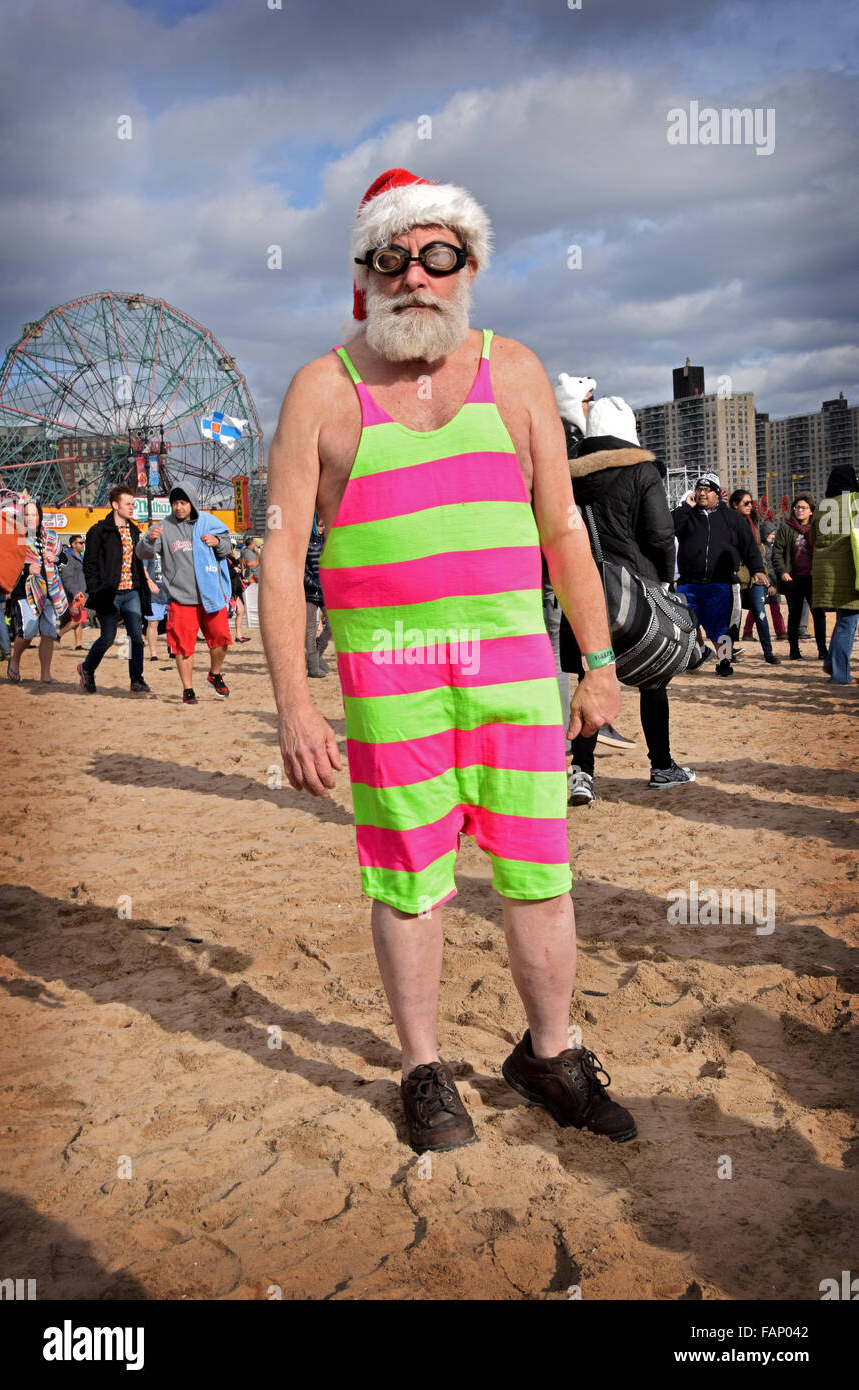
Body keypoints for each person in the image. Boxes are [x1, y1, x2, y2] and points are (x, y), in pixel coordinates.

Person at [260, 166, 636, 1155]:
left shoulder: (513, 372)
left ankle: (549, 1053)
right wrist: (294, 708)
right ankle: (423, 1067)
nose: (417, 277)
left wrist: (596, 662)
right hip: (388, 688)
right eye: (395, 257)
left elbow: (563, 529)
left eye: (439, 256)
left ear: (467, 265)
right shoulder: (320, 390)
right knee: (407, 880)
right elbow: (277, 549)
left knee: (538, 877)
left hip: (513, 678)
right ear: (367, 271)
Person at [557, 395, 695, 800]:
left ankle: (581, 773)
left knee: (589, 676)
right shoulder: (641, 470)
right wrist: (665, 580)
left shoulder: (569, 475)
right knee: (654, 682)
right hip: (636, 591)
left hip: (582, 590)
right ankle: (662, 766)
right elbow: (659, 535)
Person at [136, 482, 232, 704]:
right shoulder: (163, 527)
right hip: (181, 598)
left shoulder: (208, 522)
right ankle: (188, 689)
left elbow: (228, 547)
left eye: (182, 502)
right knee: (183, 646)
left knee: (222, 640)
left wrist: (217, 541)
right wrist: (149, 540)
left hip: (210, 595)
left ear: (192, 502)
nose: (178, 507)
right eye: (174, 503)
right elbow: (142, 554)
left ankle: (214, 674)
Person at [673, 472, 767, 676]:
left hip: (720, 583)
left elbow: (749, 545)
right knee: (685, 624)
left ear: (717, 494)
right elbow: (670, 529)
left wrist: (757, 569)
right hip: (689, 583)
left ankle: (724, 660)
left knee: (721, 628)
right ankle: (699, 654)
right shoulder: (688, 515)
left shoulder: (732, 518)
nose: (701, 494)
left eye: (706, 490)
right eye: (698, 490)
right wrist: (684, 508)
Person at [79, 486, 152, 695]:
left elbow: (138, 562)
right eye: (128, 504)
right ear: (114, 505)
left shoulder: (135, 531)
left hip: (132, 592)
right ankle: (87, 668)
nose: (132, 508)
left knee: (136, 638)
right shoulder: (98, 531)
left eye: (133, 504)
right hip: (108, 593)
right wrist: (95, 589)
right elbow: (89, 564)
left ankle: (136, 680)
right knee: (108, 638)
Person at [5, 498, 68, 683]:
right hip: (24, 590)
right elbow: (5, 565)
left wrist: (55, 557)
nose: (31, 518)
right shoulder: (14, 537)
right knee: (29, 629)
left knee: (48, 632)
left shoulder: (50, 536)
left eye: (34, 514)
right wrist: (26, 569)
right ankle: (15, 660)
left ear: (40, 516)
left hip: (49, 591)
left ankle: (45, 674)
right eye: (26, 514)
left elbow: (65, 559)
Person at [810, 465, 859, 684]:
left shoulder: (822, 506)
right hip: (848, 569)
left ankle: (832, 663)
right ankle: (840, 674)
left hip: (824, 570)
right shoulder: (854, 501)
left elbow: (812, 537)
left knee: (843, 617)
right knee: (848, 620)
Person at [772, 494, 828, 661]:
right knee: (794, 614)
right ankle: (794, 651)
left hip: (814, 579)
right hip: (793, 579)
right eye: (797, 507)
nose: (799, 511)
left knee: (818, 615)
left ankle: (822, 650)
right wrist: (782, 571)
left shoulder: (817, 529)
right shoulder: (786, 529)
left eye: (803, 508)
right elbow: (777, 553)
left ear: (811, 511)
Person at [728, 491, 780, 665]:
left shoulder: (753, 522)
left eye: (751, 503)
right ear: (735, 504)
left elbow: (758, 550)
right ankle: (728, 653)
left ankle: (768, 652)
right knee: (732, 617)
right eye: (746, 503)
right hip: (736, 576)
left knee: (760, 613)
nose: (750, 506)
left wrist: (762, 572)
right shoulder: (728, 523)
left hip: (756, 576)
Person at [743, 510, 787, 642]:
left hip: (771, 583)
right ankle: (748, 632)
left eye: (774, 534)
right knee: (756, 609)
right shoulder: (762, 549)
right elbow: (767, 569)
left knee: (773, 609)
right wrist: (770, 584)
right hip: (765, 584)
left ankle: (780, 632)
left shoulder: (772, 548)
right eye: (771, 534)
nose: (773, 537)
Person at [304, 513, 332, 677]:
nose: (322, 528)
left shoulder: (329, 542)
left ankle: (317, 654)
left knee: (332, 625)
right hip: (310, 591)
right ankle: (313, 667)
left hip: (327, 591)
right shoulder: (306, 543)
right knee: (310, 628)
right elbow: (301, 570)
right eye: (320, 525)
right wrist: (314, 584)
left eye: (324, 525)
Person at [57, 534, 88, 650]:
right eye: (80, 543)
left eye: (83, 542)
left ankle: (78, 644)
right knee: (78, 619)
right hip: (74, 594)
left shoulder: (80, 556)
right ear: (73, 544)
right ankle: (58, 635)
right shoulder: (69, 558)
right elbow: (67, 578)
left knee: (79, 620)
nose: (82, 545)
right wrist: (75, 592)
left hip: (81, 592)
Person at [143, 548, 169, 661]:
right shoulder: (147, 550)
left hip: (170, 591)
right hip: (154, 592)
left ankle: (172, 650)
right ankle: (153, 654)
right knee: (153, 622)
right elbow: (143, 569)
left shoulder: (169, 548)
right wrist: (150, 583)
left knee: (174, 623)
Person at [226, 549, 248, 643]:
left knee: (241, 611)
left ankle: (238, 635)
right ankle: (226, 635)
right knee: (226, 614)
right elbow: (226, 574)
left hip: (236, 589)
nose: (233, 550)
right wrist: (234, 570)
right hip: (229, 590)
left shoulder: (232, 560)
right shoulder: (223, 560)